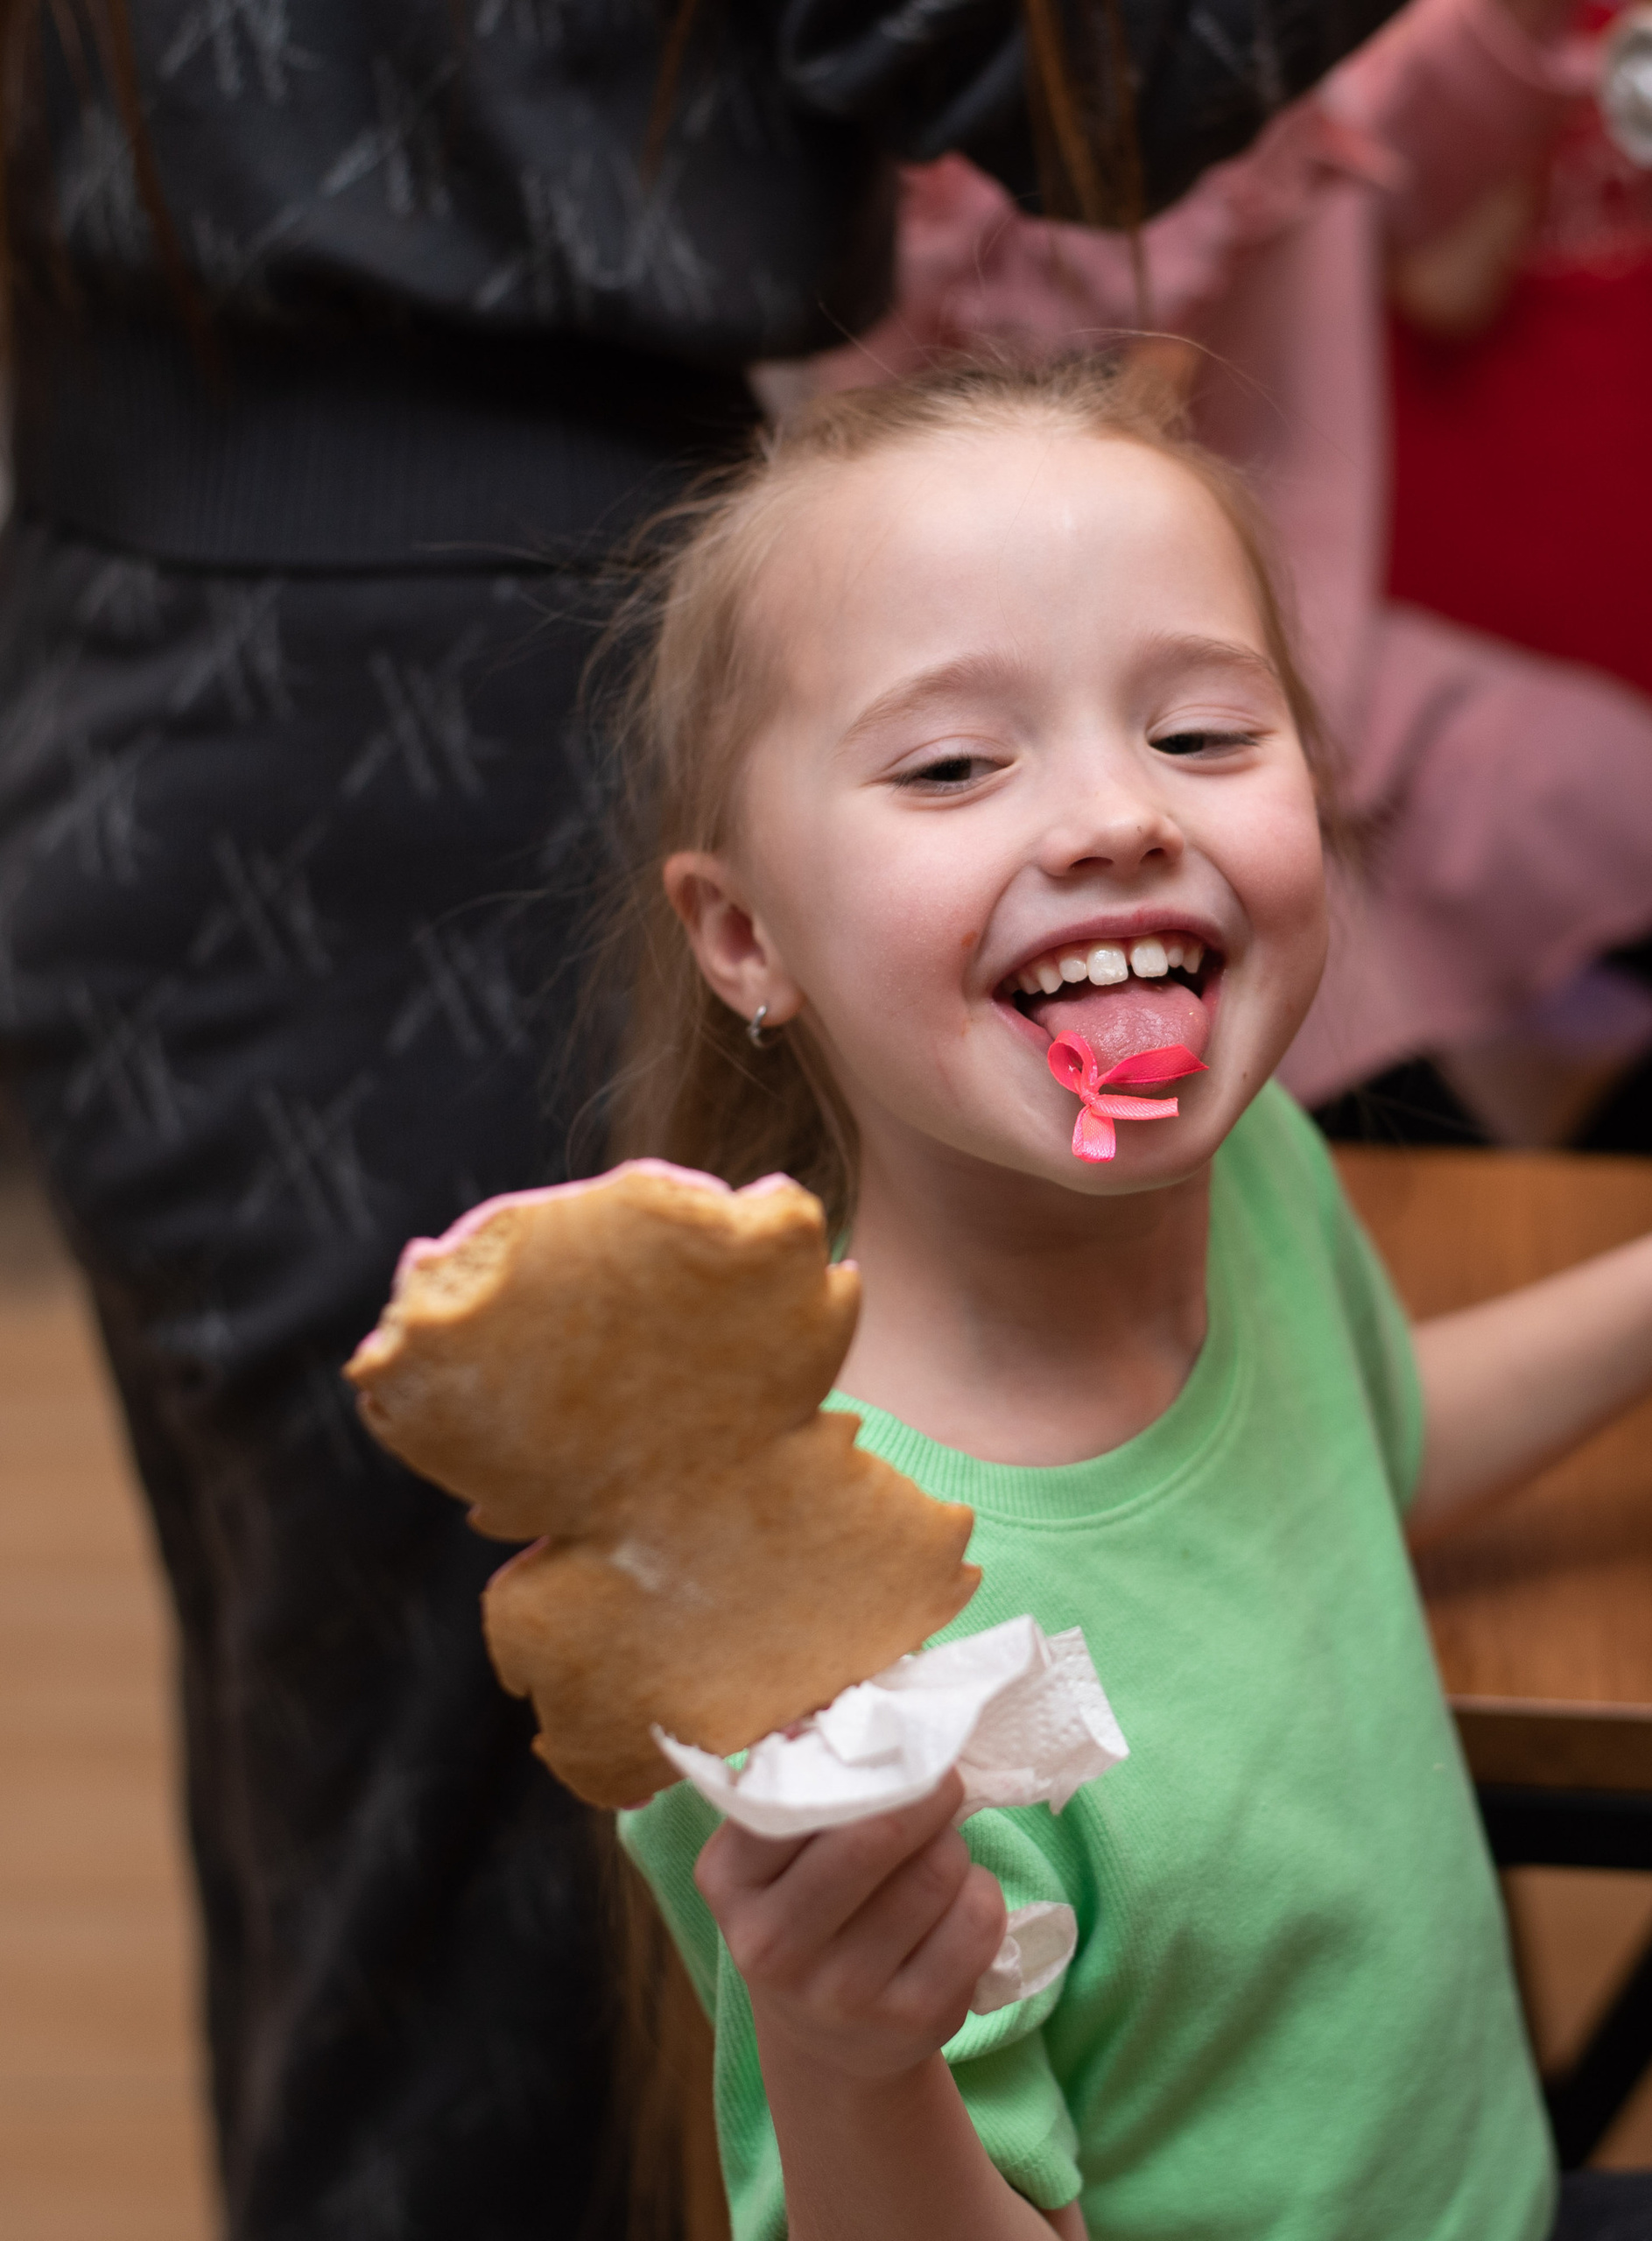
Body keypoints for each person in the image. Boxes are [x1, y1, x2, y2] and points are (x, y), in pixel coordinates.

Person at [0, 5, 1413, 2234]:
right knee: (488, 1967)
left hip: (169, 646)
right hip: (428, 750)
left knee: (393, 1882)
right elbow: (1085, 71)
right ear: (727, 929)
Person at [608, 356, 1652, 2239]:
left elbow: (1371, 1439)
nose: (1114, 817)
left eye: (1202, 735)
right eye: (955, 764)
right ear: (742, 936)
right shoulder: (823, 1632)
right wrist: (841, 2050)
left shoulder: (1253, 1177)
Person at [797, 0, 1652, 1165]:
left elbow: (1445, 137)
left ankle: (1584, 1298)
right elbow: (998, 391)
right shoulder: (933, 108)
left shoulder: (1296, 60)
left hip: (1350, 685)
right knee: (1406, 1182)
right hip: (1107, 758)